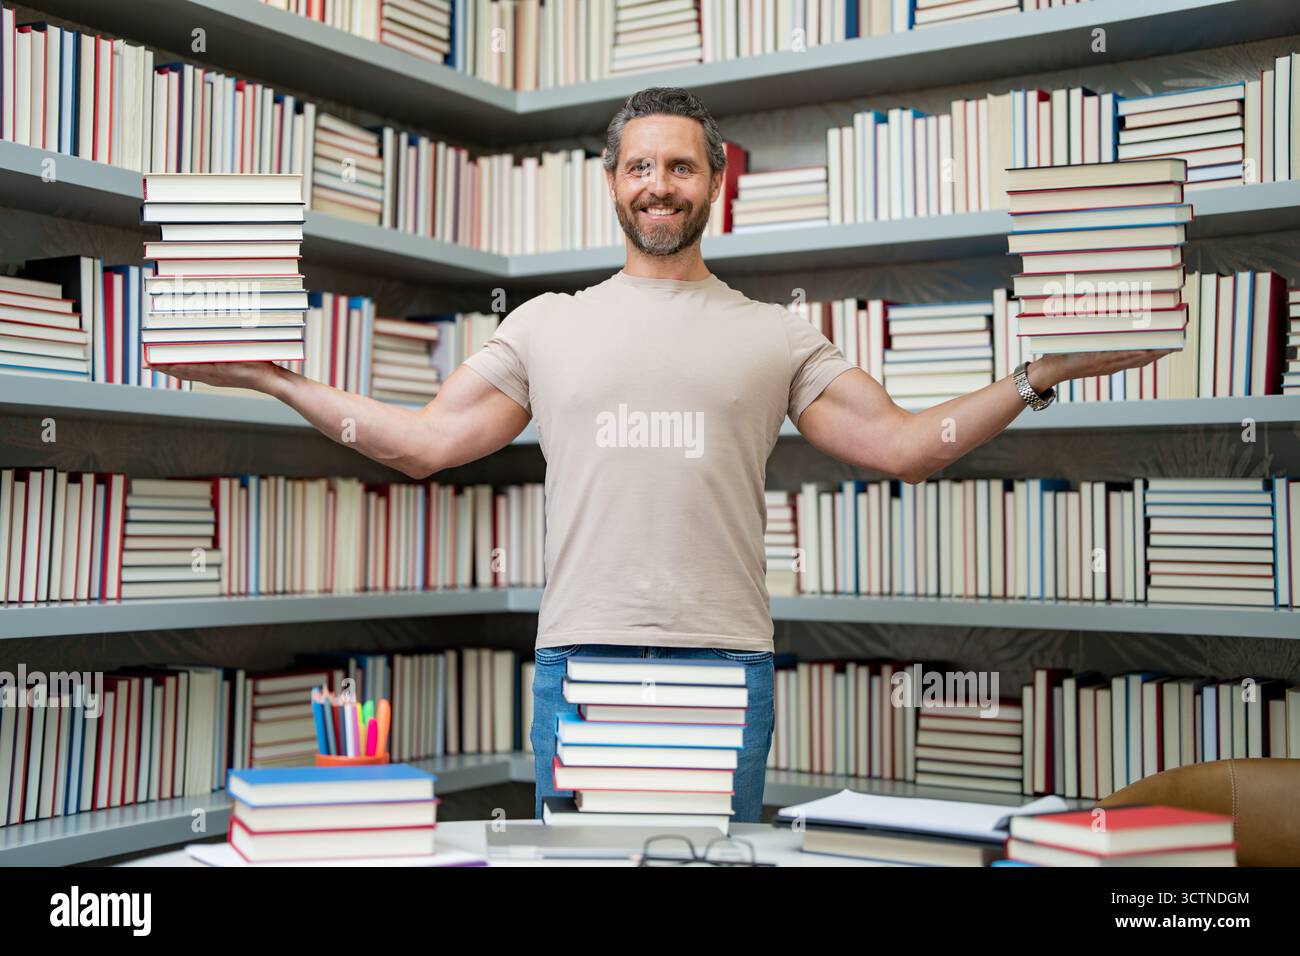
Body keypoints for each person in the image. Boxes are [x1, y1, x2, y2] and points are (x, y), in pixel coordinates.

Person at [153, 86, 1171, 824]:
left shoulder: (775, 334)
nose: (659, 184)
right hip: (581, 662)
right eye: (640, 166)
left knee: (710, 865)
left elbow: (907, 447)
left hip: (726, 663)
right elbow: (423, 444)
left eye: (681, 166)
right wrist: (277, 380)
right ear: (612, 182)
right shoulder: (546, 324)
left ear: (715, 182)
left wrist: (1041, 372)